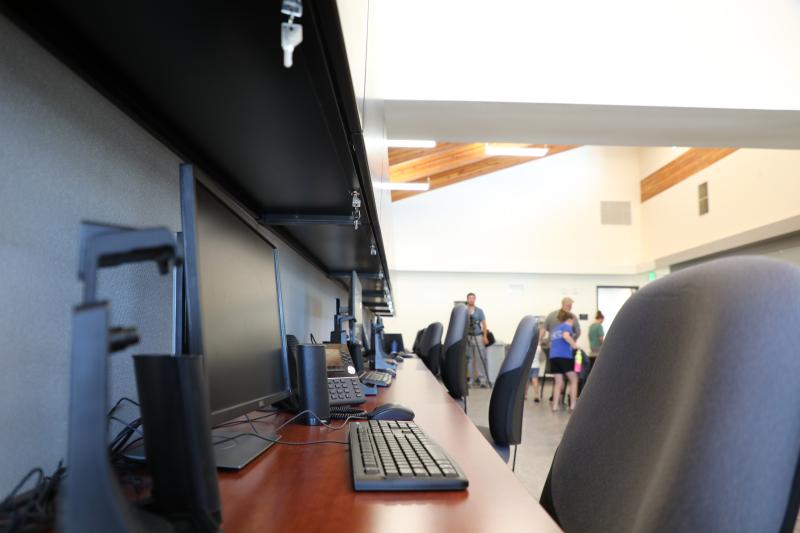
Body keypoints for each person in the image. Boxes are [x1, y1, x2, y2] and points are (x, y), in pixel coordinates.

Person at [549, 310, 580, 412]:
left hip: (553, 357)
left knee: (558, 382)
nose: (573, 324)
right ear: (570, 319)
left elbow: (551, 343)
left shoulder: (555, 329)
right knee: (574, 379)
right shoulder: (567, 326)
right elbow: (566, 336)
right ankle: (573, 405)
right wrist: (574, 345)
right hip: (564, 356)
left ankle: (555, 406)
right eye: (573, 321)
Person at [465, 292, 489, 388]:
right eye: (469, 298)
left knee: (480, 358)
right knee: (469, 359)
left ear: (475, 299)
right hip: (468, 337)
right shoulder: (464, 311)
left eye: (473, 298)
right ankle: (471, 380)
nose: (471, 300)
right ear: (467, 299)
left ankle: (482, 380)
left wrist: (485, 336)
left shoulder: (479, 311)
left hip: (478, 336)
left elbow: (484, 324)